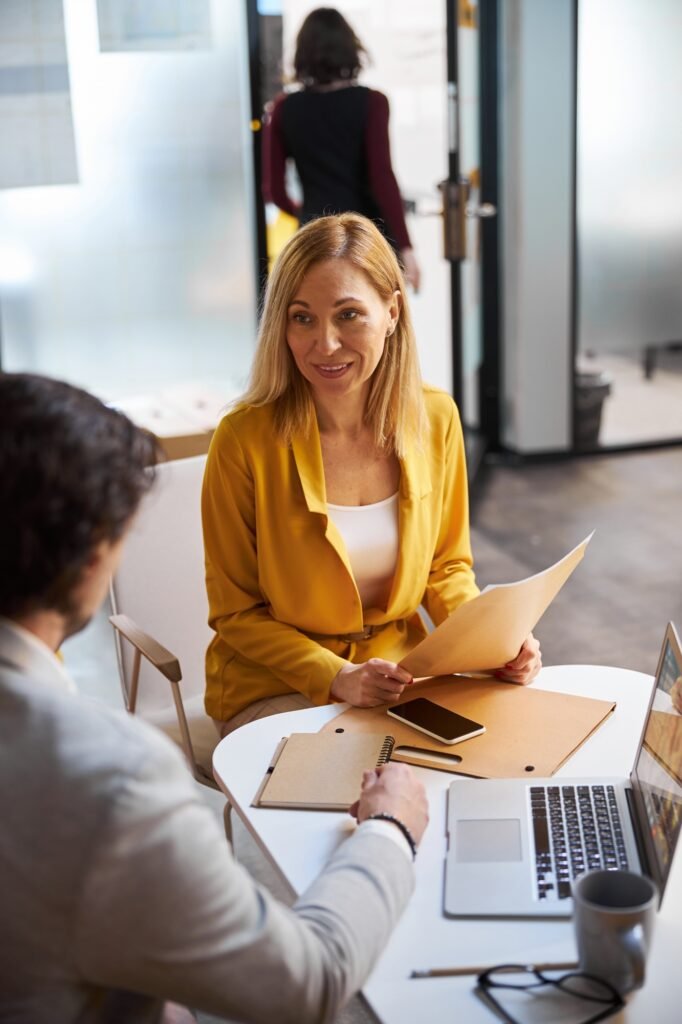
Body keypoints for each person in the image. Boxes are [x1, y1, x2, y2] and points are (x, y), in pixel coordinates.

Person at [0, 372, 428, 1024]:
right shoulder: (111, 779)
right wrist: (391, 827)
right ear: (93, 558)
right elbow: (307, 984)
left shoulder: (428, 422)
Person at [202, 212, 541, 737]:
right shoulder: (243, 440)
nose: (326, 344)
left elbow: (447, 568)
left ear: (391, 311)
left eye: (348, 315)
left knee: (493, 753)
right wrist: (336, 677)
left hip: (395, 676)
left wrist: (496, 642)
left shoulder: (434, 418)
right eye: (303, 318)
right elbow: (236, 614)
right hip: (272, 685)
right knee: (360, 781)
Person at [262, 6, 421, 291]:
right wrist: (406, 248)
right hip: (367, 238)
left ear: (302, 54)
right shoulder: (372, 103)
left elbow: (273, 190)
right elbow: (382, 179)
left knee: (320, 324)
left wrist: (305, 213)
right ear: (350, 49)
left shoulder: (284, 109)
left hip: (314, 238)